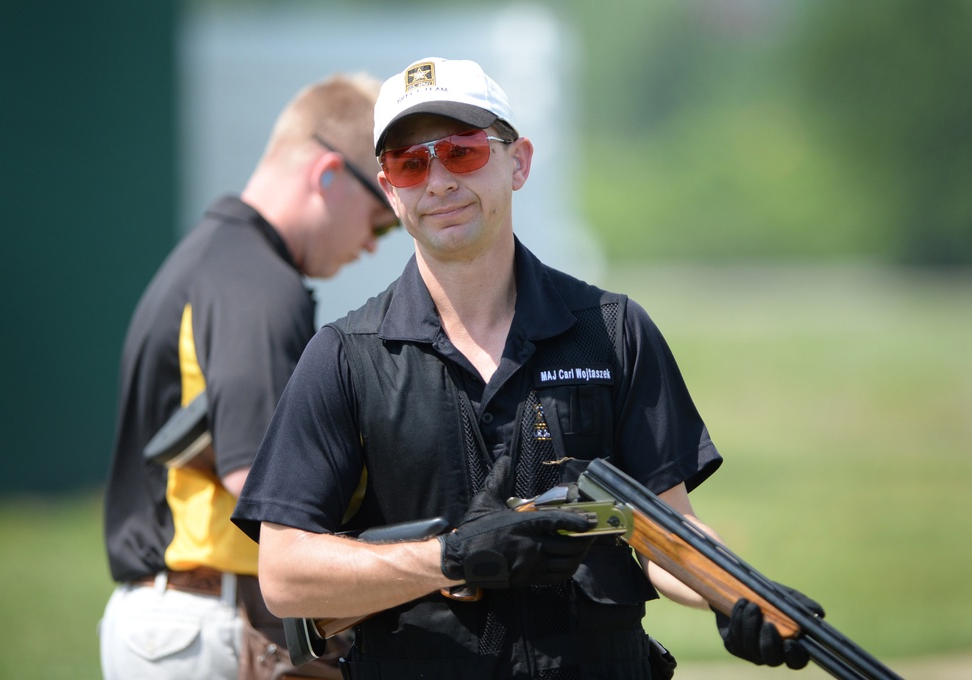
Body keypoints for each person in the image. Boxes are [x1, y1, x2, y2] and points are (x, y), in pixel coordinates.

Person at [232, 57, 823, 679]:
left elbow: (665, 531)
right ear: (388, 188)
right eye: (410, 163)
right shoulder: (343, 355)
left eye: (461, 152)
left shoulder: (613, 331)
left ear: (518, 162)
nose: (437, 182)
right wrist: (453, 558)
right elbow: (285, 575)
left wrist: (740, 595)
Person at [100, 72, 399, 680]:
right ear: (328, 175)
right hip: (216, 619)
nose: (374, 243)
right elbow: (258, 479)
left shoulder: (214, 256)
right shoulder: (260, 283)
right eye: (379, 216)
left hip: (176, 617)